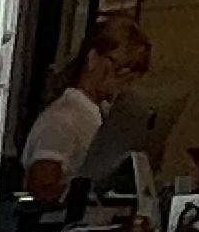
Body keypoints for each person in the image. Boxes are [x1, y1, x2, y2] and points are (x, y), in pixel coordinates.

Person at [21, 17, 156, 212]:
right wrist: (82, 194)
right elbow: (41, 186)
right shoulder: (63, 118)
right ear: (93, 58)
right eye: (122, 69)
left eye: (136, 72)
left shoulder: (101, 115)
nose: (128, 80)